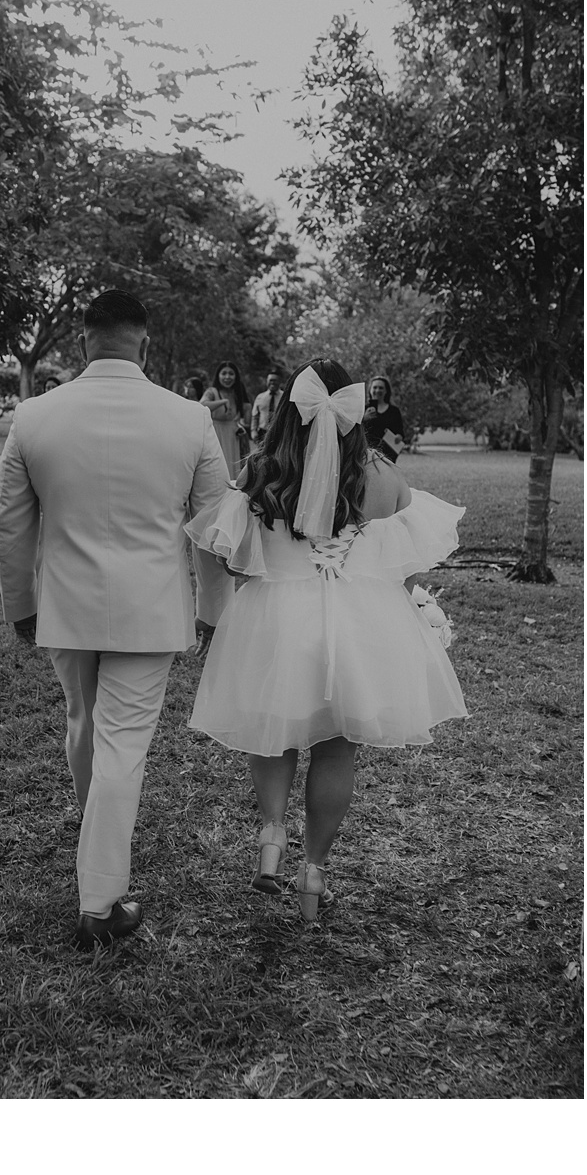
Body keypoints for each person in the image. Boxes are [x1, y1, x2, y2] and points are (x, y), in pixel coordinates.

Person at [0, 289, 234, 950]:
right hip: (148, 610)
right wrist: (214, 610)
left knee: (82, 722)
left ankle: (94, 828)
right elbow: (214, 529)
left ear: (81, 342)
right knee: (122, 745)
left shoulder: (35, 416)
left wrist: (21, 605)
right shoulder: (188, 421)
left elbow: (9, 524)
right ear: (146, 344)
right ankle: (98, 905)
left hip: (65, 608)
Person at [185, 358, 467, 922]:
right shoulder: (384, 478)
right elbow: (403, 571)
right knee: (338, 749)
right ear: (354, 410)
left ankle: (271, 835)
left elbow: (234, 562)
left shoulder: (259, 473)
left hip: (277, 621)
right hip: (359, 626)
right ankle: (313, 872)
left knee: (273, 732)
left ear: (289, 407)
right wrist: (418, 608)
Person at [199, 360, 252, 478]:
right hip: (216, 433)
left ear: (236, 376)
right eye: (224, 373)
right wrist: (223, 401)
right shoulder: (212, 391)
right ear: (218, 375)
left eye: (231, 373)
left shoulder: (238, 392)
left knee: (233, 467)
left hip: (233, 435)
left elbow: (246, 419)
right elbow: (202, 405)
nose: (227, 377)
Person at [362, 374, 405, 462]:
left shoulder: (394, 411)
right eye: (375, 387)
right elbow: (354, 430)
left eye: (381, 388)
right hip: (366, 454)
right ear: (370, 390)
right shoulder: (362, 409)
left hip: (387, 456)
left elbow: (400, 432)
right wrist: (363, 418)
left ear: (386, 391)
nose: (377, 390)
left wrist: (398, 437)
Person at [250, 367, 284, 447]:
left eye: (275, 380)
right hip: (262, 433)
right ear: (267, 381)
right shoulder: (260, 397)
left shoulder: (284, 397)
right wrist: (253, 431)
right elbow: (255, 416)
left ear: (280, 382)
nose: (272, 383)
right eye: (270, 380)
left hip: (278, 433)